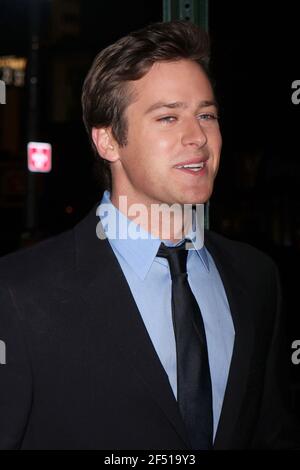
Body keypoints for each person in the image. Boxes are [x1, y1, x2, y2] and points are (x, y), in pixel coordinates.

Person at [0, 20, 298, 450]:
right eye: (168, 117)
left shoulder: (256, 277)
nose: (197, 137)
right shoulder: (18, 292)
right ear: (107, 141)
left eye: (207, 115)